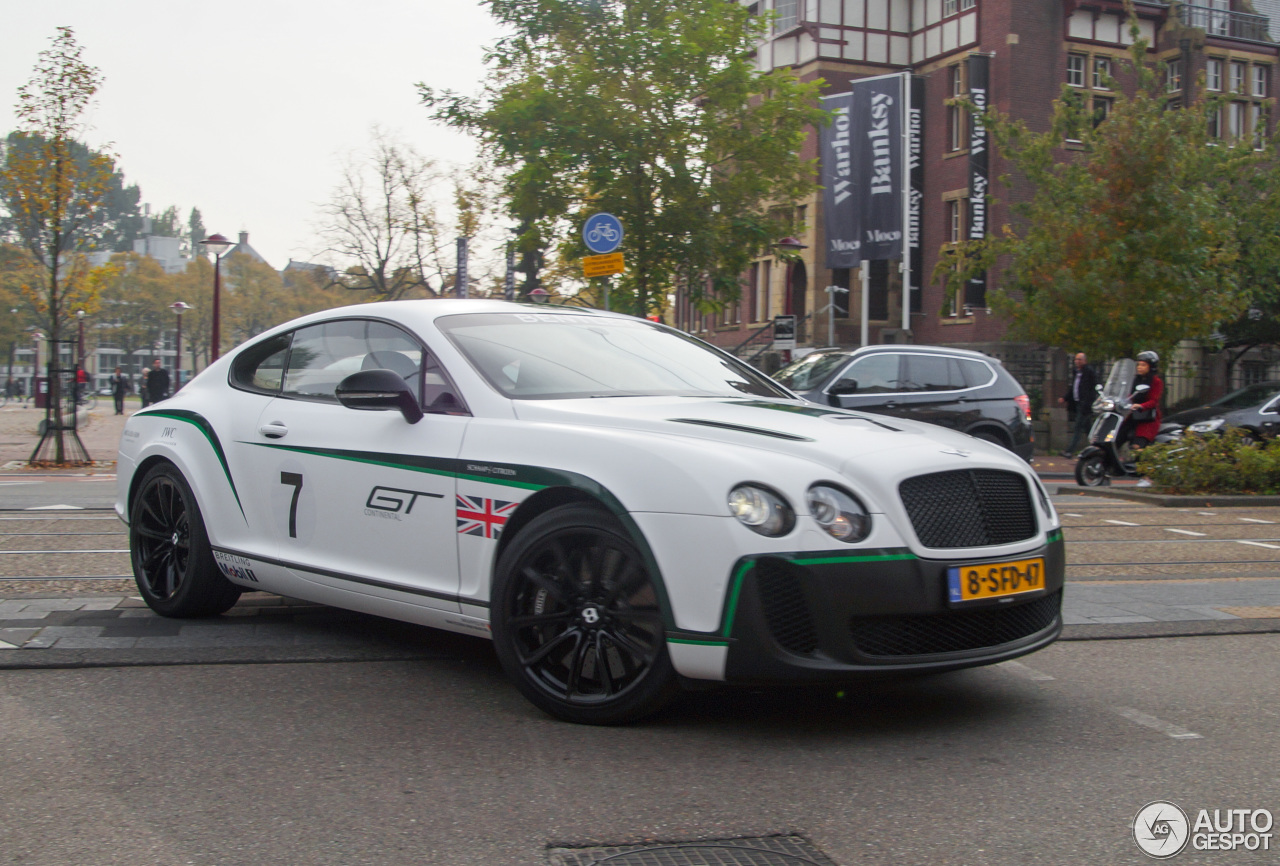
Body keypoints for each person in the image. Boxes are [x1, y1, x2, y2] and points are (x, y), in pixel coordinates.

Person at [1116, 351, 1164, 486]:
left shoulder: (1156, 381)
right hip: (1132, 416)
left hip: (1147, 419)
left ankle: (1147, 476)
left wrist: (1141, 406)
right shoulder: (1135, 380)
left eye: (1143, 365)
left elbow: (1154, 401)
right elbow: (1127, 395)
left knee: (1138, 446)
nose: (1139, 367)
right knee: (1116, 437)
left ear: (1151, 366)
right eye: (1138, 365)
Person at [1058, 351, 1099, 457]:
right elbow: (1074, 388)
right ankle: (1097, 447)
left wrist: (1088, 402)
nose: (1077, 361)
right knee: (1088, 428)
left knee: (1077, 427)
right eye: (1076, 359)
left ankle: (1069, 451)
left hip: (1085, 405)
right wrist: (1065, 398)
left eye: (1080, 359)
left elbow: (1093, 388)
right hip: (1078, 403)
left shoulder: (1089, 372)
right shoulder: (1076, 372)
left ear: (1085, 361)